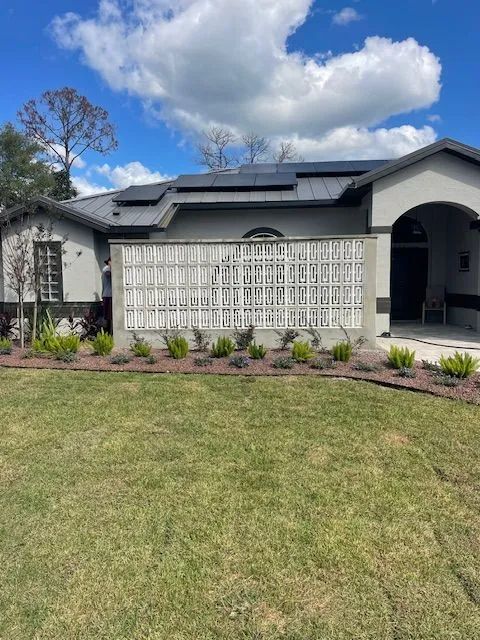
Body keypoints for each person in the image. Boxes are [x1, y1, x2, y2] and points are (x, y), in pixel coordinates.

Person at [102, 257, 112, 333]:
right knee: (108, 317)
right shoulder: (106, 269)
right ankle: (107, 333)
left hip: (112, 296)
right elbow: (110, 275)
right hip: (108, 295)